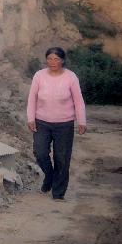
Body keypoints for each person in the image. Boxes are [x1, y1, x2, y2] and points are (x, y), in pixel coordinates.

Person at [26, 47, 87, 200]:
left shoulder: (70, 77)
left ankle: (58, 193)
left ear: (62, 60)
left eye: (56, 59)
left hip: (64, 124)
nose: (53, 62)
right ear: (46, 60)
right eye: (50, 59)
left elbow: (78, 101)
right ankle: (50, 176)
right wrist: (30, 118)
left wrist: (81, 120)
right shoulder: (39, 76)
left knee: (62, 157)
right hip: (42, 122)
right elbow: (32, 98)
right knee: (40, 153)